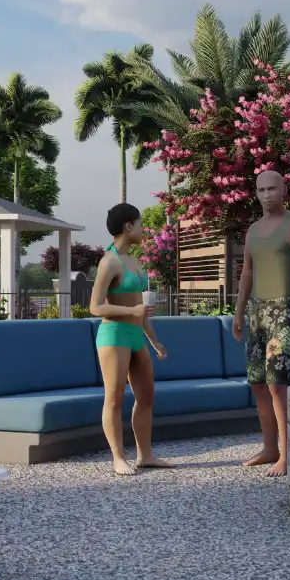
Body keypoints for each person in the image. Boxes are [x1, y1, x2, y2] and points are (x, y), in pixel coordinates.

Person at [233, 169, 290, 474]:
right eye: (261, 189)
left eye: (272, 188)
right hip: (257, 314)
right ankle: (270, 448)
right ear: (256, 193)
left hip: (284, 310)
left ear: (284, 190)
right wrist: (239, 310)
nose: (267, 194)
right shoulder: (252, 231)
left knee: (277, 384)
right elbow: (247, 272)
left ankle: (287, 453)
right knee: (257, 383)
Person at [89, 202, 168, 476]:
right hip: (114, 335)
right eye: (141, 223)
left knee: (146, 397)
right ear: (128, 226)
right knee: (114, 399)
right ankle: (118, 458)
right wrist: (131, 311)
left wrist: (153, 340)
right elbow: (95, 307)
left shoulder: (133, 261)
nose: (145, 229)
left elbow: (139, 308)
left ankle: (145, 456)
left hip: (136, 336)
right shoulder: (109, 262)